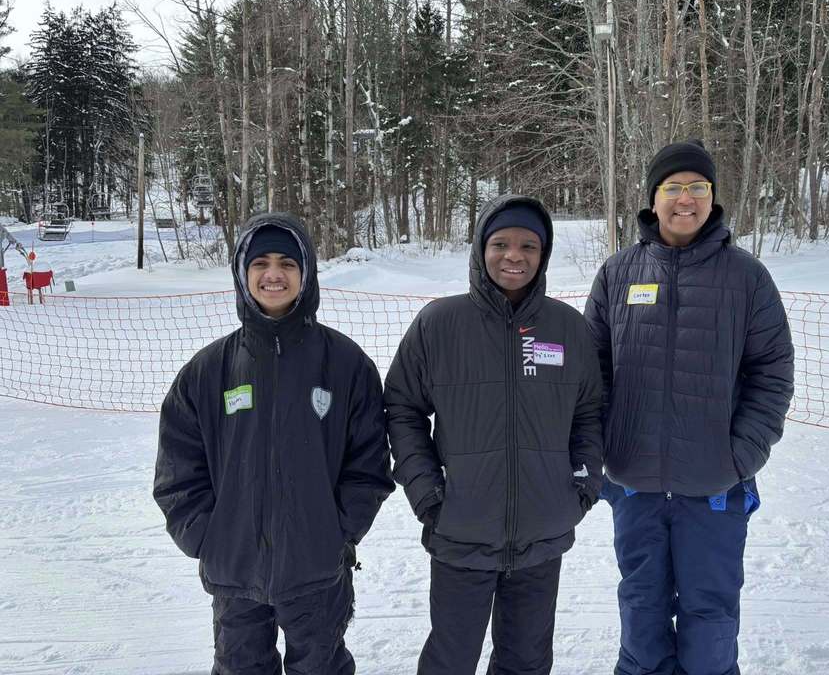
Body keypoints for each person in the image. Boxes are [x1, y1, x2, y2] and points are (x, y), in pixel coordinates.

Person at [585, 140, 795, 675]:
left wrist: (738, 456)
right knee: (642, 612)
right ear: (653, 198)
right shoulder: (618, 273)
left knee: (711, 618)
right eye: (674, 188)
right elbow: (592, 371)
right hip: (636, 483)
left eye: (698, 187)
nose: (687, 199)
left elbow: (772, 372)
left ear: (713, 197)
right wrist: (611, 446)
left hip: (714, 487)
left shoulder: (746, 277)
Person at [153, 212, 394, 675]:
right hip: (235, 575)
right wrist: (209, 538)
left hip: (318, 572)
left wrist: (335, 532)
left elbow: (369, 466)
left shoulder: (345, 365)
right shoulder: (208, 371)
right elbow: (177, 472)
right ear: (243, 274)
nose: (273, 274)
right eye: (260, 262)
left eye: (287, 262)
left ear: (306, 272)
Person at [385, 195, 604, 675]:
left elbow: (589, 412)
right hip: (460, 531)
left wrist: (583, 485)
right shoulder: (440, 323)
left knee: (526, 661)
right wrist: (427, 492)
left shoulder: (568, 327)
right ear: (480, 249)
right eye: (501, 243)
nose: (514, 255)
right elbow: (402, 409)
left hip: (542, 534)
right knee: (451, 657)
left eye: (529, 245)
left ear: (543, 254)